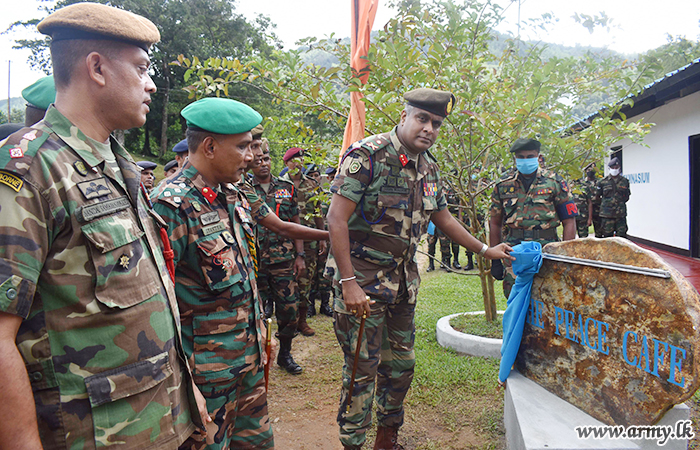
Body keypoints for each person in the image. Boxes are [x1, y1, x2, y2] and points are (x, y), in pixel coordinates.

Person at [0, 3, 207, 449]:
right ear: (96, 67)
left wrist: (186, 397)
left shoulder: (118, 162)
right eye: (141, 68)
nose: (151, 84)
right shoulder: (29, 169)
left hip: (158, 421)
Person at [326, 87, 513, 450]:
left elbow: (443, 218)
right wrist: (348, 282)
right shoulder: (368, 155)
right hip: (363, 282)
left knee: (401, 365)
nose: (429, 128)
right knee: (361, 370)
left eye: (436, 123)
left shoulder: (429, 166)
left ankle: (386, 437)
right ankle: (352, 442)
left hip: (402, 284)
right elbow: (336, 219)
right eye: (422, 119)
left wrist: (485, 249)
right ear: (404, 117)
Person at [153, 97, 276, 450]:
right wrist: (185, 381)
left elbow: (243, 271)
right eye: (241, 146)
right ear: (209, 146)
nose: (250, 155)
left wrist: (259, 330)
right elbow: (159, 302)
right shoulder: (170, 205)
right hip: (206, 374)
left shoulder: (232, 194)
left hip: (247, 360)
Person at [489, 138, 578, 298]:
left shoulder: (555, 182)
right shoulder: (503, 184)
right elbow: (495, 223)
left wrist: (566, 256)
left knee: (549, 299)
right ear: (515, 159)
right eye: (520, 157)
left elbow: (569, 221)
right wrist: (494, 259)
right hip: (514, 252)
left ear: (538, 157)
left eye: (530, 156)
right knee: (515, 299)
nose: (525, 160)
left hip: (548, 251)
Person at [250, 142, 306, 374]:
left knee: (289, 310)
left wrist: (300, 255)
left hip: (283, 262)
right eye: (258, 160)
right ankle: (260, 354)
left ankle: (285, 353)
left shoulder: (286, 187)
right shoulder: (242, 188)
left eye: (267, 159)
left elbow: (295, 223)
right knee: (258, 313)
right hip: (255, 264)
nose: (263, 163)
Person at [281, 147, 327, 335]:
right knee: (285, 281)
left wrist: (322, 236)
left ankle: (302, 321)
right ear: (287, 163)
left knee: (305, 280)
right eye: (294, 160)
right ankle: (287, 323)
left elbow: (318, 212)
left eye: (301, 160)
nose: (298, 163)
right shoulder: (280, 185)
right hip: (285, 239)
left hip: (309, 240)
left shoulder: (312, 185)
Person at [597, 157, 630, 238]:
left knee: (622, 237)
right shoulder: (602, 182)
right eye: (612, 168)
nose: (614, 169)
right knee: (607, 237)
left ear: (619, 168)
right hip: (607, 215)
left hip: (620, 214)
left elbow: (627, 196)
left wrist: (619, 203)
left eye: (616, 168)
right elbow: (597, 197)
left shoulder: (624, 181)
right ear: (609, 168)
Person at [572, 162, 596, 237]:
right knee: (570, 240)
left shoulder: (584, 186)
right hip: (572, 217)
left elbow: (590, 203)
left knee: (584, 239)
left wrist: (589, 218)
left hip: (583, 217)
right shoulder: (569, 187)